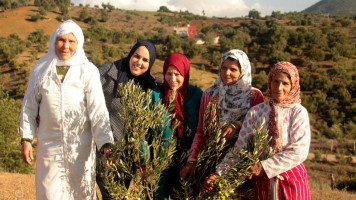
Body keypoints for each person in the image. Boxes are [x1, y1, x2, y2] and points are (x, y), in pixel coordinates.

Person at [19, 20, 114, 200]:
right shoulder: (41, 69)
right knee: (49, 193)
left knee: (81, 193)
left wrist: (106, 143)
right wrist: (26, 139)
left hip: (80, 147)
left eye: (71, 41)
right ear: (54, 41)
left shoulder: (88, 71)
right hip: (49, 147)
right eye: (61, 40)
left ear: (79, 43)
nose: (66, 46)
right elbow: (29, 107)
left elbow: (98, 110)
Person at [203, 61, 311, 199]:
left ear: (293, 86)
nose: (279, 87)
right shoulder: (256, 112)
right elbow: (239, 150)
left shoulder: (298, 113)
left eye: (285, 83)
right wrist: (219, 173)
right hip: (262, 184)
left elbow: (299, 151)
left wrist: (263, 166)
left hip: (291, 182)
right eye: (275, 81)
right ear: (269, 82)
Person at [179, 49, 264, 180]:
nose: (226, 73)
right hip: (211, 162)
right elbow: (201, 132)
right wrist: (192, 160)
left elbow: (258, 130)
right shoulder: (210, 95)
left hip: (240, 167)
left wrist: (238, 124)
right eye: (223, 68)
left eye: (233, 69)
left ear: (243, 71)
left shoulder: (254, 96)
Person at [97, 40, 159, 199]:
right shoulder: (107, 72)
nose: (139, 62)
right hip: (102, 152)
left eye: (145, 60)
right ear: (130, 54)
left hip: (126, 158)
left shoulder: (147, 85)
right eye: (136, 56)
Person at [150, 53, 203, 199]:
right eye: (168, 73)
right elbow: (144, 131)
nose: (172, 79)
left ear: (185, 74)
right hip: (161, 165)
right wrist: (145, 160)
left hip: (188, 163)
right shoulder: (155, 95)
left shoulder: (197, 95)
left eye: (177, 74)